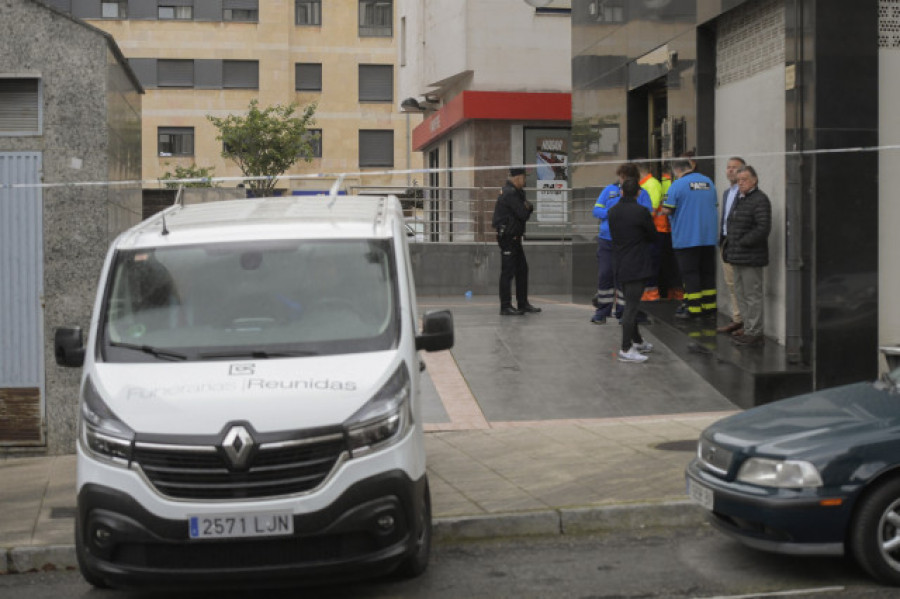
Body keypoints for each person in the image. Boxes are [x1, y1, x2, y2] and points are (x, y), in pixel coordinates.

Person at [591, 163, 653, 324]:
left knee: (624, 279)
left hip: (628, 243)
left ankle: (623, 313)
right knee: (605, 275)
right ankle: (602, 312)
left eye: (624, 177)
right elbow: (596, 210)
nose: (622, 180)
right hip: (607, 240)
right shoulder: (608, 190)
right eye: (621, 177)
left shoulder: (641, 193)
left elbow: (647, 214)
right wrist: (613, 214)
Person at [660, 157, 718, 319]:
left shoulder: (677, 185)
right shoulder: (708, 182)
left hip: (687, 238)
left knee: (690, 274)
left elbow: (666, 210)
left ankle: (693, 309)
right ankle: (709, 307)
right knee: (707, 273)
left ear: (676, 170)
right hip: (708, 237)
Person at [608, 178, 657, 363]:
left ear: (621, 192)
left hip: (620, 263)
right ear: (638, 193)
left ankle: (637, 341)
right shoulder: (641, 211)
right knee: (632, 307)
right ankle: (626, 348)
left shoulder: (612, 212)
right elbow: (653, 235)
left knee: (631, 302)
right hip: (637, 264)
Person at [724, 165, 771, 347]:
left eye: (744, 180)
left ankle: (755, 331)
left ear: (754, 180)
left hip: (751, 256)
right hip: (736, 255)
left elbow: (763, 227)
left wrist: (743, 242)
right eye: (739, 180)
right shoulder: (739, 198)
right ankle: (748, 326)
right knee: (741, 293)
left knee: (753, 295)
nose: (741, 183)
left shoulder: (760, 200)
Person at [492, 167, 541, 316]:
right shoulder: (510, 193)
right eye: (524, 177)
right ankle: (505, 306)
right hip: (508, 237)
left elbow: (526, 208)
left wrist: (527, 207)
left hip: (515, 237)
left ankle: (522, 303)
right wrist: (527, 208)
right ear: (517, 178)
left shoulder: (517, 192)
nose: (525, 180)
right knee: (507, 272)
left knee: (522, 270)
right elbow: (523, 213)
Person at [717, 156, 746, 335]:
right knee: (731, 283)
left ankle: (746, 323)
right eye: (728, 167)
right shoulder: (727, 192)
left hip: (740, 244)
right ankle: (737, 319)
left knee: (743, 285)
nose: (730, 170)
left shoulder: (744, 193)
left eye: (734, 168)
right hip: (726, 242)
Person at [636, 161, 662, 302]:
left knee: (650, 264)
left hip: (655, 230)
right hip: (649, 230)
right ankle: (646, 295)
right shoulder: (646, 184)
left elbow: (650, 211)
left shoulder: (651, 185)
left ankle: (651, 296)